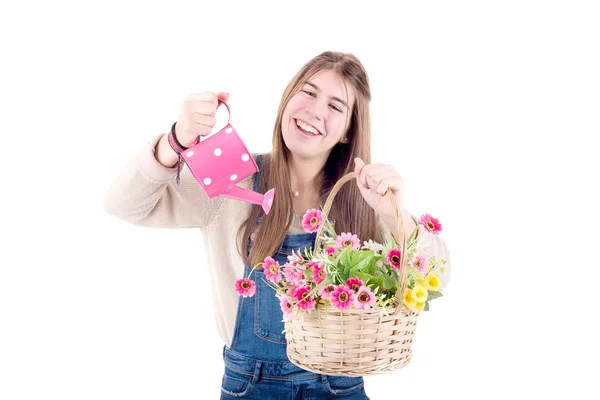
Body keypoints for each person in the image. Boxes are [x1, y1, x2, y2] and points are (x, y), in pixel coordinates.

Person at [104, 51, 451, 399]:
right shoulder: (234, 180)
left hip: (339, 387)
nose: (315, 111)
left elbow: (440, 275)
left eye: (335, 106)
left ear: (348, 132)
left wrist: (394, 213)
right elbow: (124, 204)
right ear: (288, 99)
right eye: (309, 92)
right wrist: (175, 141)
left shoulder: (361, 198)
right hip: (249, 386)